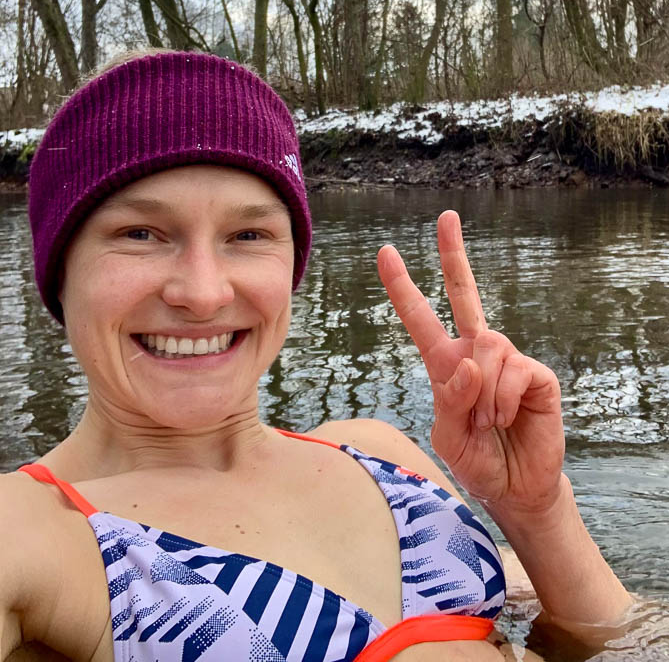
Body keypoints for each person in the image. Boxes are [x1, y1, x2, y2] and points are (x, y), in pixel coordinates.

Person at [0, 50, 633, 662]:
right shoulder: (32, 530)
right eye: (140, 233)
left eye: (248, 234)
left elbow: (626, 639)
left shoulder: (377, 453)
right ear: (59, 270)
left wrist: (536, 510)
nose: (203, 292)